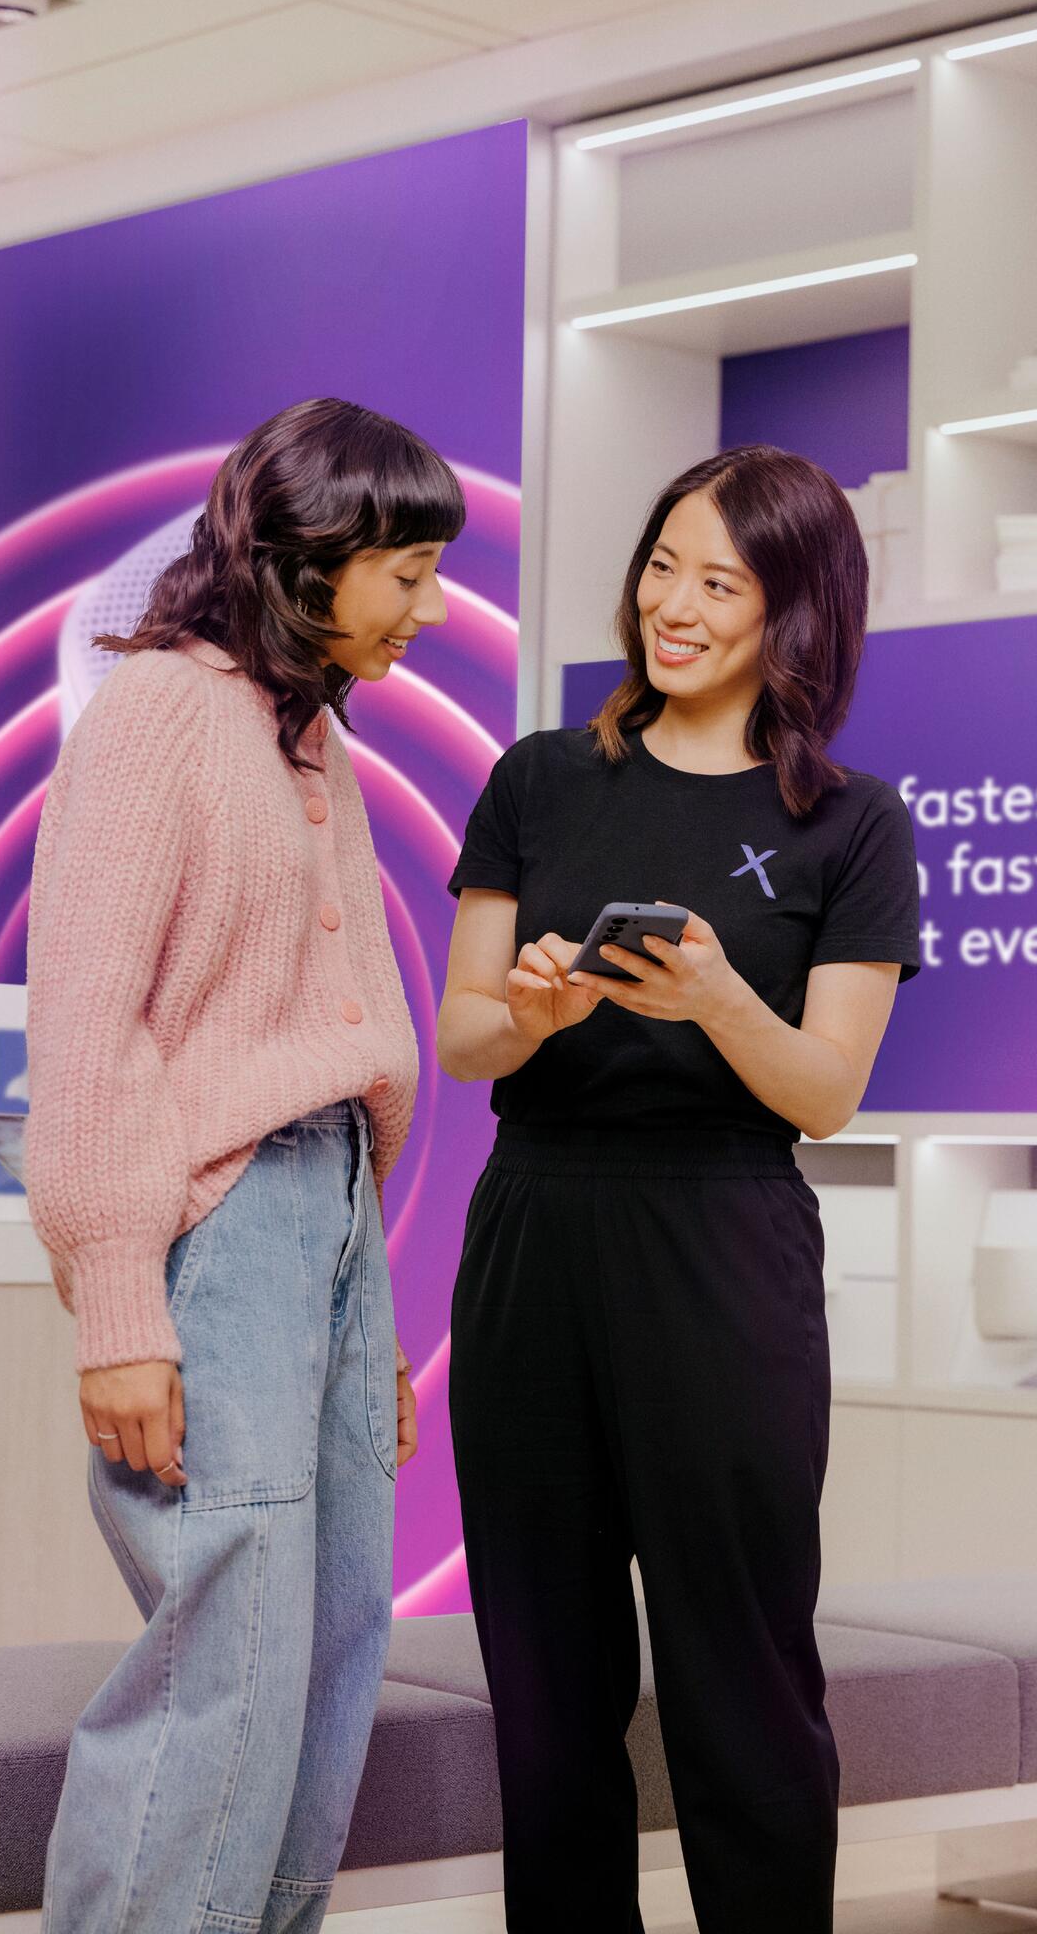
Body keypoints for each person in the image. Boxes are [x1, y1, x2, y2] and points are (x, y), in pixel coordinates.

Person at [438, 444, 922, 1934]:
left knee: (741, 1670)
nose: (676, 606)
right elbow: (460, 1040)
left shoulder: (852, 823)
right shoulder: (537, 777)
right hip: (534, 1230)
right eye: (663, 566)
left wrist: (714, 997)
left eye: (721, 583)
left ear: (795, 614)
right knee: (545, 1677)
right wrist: (536, 1014)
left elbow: (825, 1092)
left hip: (724, 1237)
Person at [24, 396, 459, 1933]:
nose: (428, 608)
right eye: (407, 572)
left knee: (330, 1637)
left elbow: (330, 1039)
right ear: (309, 555)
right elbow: (86, 1024)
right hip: (220, 1222)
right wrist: (118, 1303)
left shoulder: (312, 736)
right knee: (229, 1646)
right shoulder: (160, 708)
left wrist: (366, 1318)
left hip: (322, 1211)